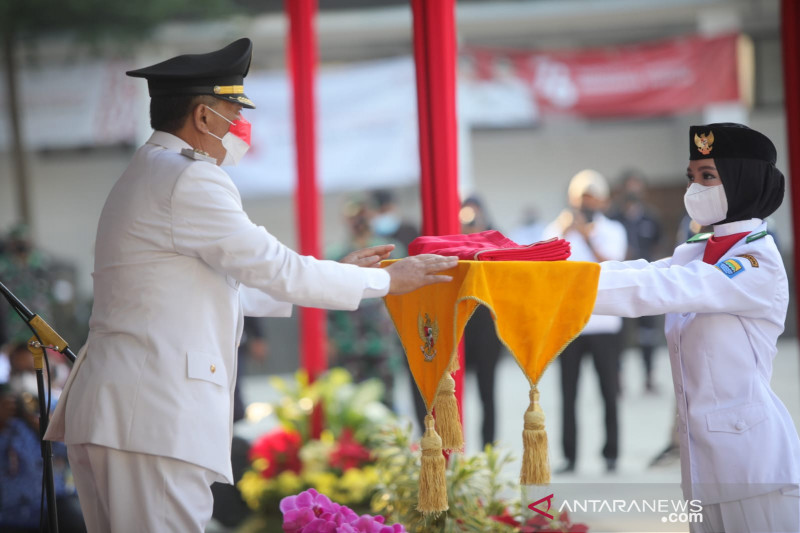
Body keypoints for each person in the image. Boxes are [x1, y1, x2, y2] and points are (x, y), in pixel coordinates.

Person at [43, 38, 457, 533]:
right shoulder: (189, 179)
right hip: (150, 418)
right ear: (202, 117)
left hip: (128, 413)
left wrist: (346, 273)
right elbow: (274, 266)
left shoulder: (149, 171)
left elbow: (222, 279)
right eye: (231, 110)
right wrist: (384, 281)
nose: (240, 126)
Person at [592, 123, 800, 531]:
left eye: (708, 177)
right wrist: (547, 271)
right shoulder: (697, 251)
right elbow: (636, 272)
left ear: (743, 182)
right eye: (692, 177)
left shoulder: (758, 261)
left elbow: (657, 288)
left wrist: (560, 287)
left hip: (753, 469)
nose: (695, 190)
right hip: (701, 469)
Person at [543, 169, 627, 473]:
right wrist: (564, 234)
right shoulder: (557, 229)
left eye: (591, 198)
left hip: (605, 325)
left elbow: (613, 266)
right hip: (570, 326)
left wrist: (588, 239)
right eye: (581, 198)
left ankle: (611, 454)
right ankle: (570, 456)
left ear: (602, 201)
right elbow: (545, 268)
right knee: (568, 394)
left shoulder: (613, 230)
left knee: (609, 393)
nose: (586, 204)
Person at [327, 199, 403, 407]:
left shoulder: (389, 250)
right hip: (349, 342)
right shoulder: (337, 255)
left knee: (386, 400)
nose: (359, 221)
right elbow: (327, 301)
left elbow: (404, 289)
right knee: (354, 404)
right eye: (353, 217)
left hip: (383, 340)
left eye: (362, 214)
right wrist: (329, 337)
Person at [609, 171, 664, 393]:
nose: (633, 192)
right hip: (620, 283)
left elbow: (659, 244)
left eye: (637, 186)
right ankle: (618, 379)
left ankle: (649, 378)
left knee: (647, 334)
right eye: (629, 187)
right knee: (619, 335)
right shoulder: (613, 218)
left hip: (646, 283)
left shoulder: (651, 217)